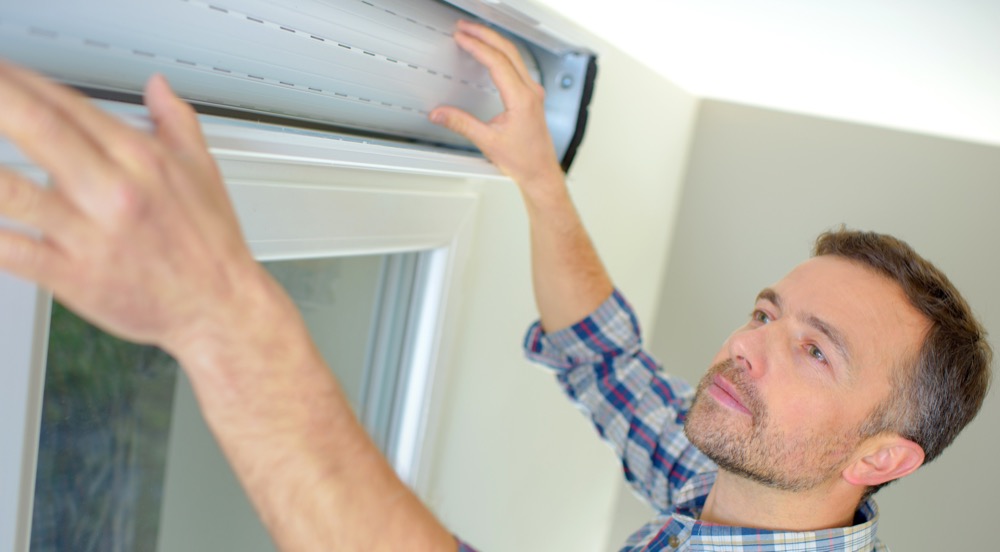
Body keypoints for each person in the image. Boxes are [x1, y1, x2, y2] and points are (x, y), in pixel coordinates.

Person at [0, 18, 990, 552]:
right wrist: (535, 174)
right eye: (765, 312)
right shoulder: (740, 493)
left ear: (884, 456)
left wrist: (216, 312)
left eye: (812, 349)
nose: (748, 344)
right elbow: (608, 362)